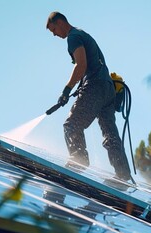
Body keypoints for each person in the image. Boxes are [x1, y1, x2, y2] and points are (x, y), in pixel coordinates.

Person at [46, 12, 132, 182]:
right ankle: (123, 174)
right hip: (108, 90)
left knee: (71, 126)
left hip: (95, 87)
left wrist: (66, 90)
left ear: (61, 22)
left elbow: (81, 65)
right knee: (110, 133)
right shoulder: (83, 34)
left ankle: (79, 161)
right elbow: (90, 66)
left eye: (54, 29)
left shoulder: (74, 37)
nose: (55, 35)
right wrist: (79, 87)